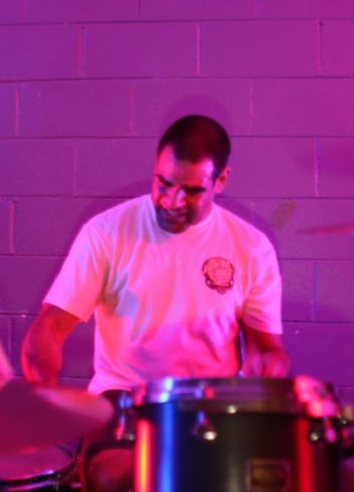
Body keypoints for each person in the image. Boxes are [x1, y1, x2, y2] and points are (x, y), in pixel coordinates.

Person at [20, 115, 289, 492]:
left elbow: (265, 349)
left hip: (213, 404)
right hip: (126, 398)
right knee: (116, 475)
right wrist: (43, 387)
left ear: (221, 181)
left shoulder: (252, 247)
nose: (172, 201)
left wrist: (271, 370)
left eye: (192, 191)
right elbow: (50, 327)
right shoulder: (106, 232)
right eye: (163, 183)